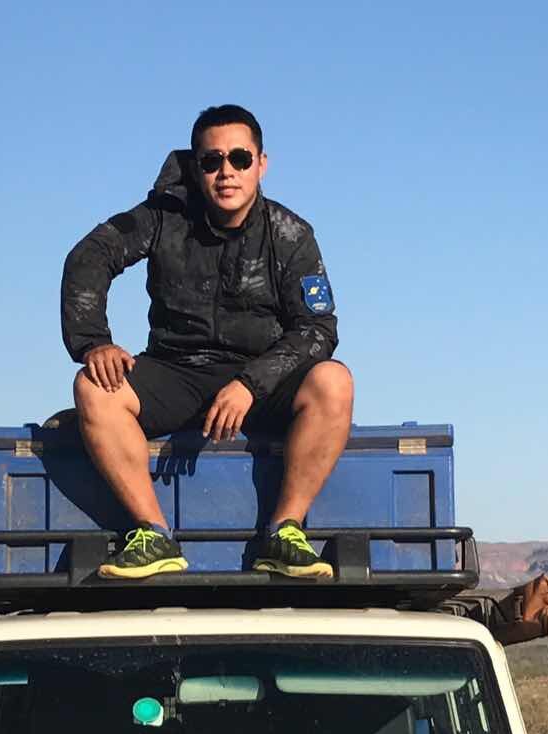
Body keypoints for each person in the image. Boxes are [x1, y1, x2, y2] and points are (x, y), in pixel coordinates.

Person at [61, 104, 354, 580]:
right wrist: (94, 342)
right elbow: (91, 256)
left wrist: (250, 382)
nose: (226, 172)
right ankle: (152, 534)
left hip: (261, 379)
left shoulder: (291, 235)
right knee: (94, 388)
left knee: (334, 381)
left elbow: (319, 330)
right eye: (211, 160)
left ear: (261, 163)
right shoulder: (160, 218)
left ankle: (285, 533)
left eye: (239, 158)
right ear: (195, 167)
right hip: (175, 370)